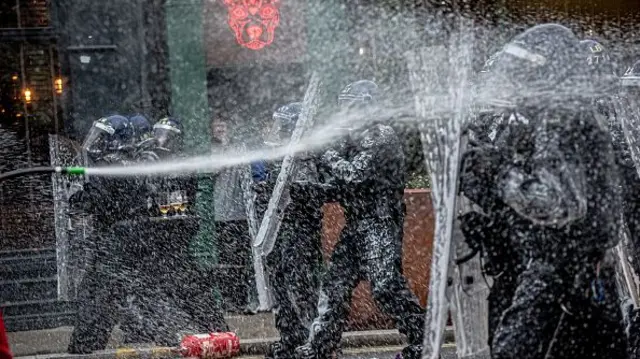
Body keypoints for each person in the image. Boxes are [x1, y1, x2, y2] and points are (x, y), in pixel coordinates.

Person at [464, 24, 626, 359]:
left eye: (522, 75)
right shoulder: (558, 117)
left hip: (562, 271)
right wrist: (497, 218)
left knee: (514, 350)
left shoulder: (562, 120)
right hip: (576, 272)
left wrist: (498, 174)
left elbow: (557, 203)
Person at [294, 80, 425, 359]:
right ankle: (322, 345)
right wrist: (316, 191)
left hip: (380, 222)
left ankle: (423, 338)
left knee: (386, 286)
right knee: (335, 284)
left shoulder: (380, 135)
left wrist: (326, 153)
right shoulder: (354, 137)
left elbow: (355, 174)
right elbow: (347, 187)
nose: (345, 111)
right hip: (356, 224)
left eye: (350, 106)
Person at [68, 115, 148, 353]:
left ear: (114, 141)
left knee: (96, 297)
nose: (96, 143)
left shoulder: (110, 168)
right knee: (112, 296)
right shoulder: (125, 164)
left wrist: (77, 196)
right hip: (123, 242)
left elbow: (98, 200)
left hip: (114, 243)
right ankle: (139, 335)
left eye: (102, 137)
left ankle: (84, 348)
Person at [255, 103, 325, 359]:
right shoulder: (281, 152)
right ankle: (289, 336)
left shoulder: (307, 151)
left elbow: (312, 190)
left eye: (283, 124)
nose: (278, 128)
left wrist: (294, 193)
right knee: (279, 281)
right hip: (280, 228)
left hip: (301, 228)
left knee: (300, 283)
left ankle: (312, 339)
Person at [210, 114, 254, 312]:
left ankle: (244, 301)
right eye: (217, 126)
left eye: (223, 125)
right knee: (226, 261)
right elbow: (215, 168)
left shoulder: (240, 147)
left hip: (242, 214)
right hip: (222, 214)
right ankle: (229, 302)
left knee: (242, 259)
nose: (220, 129)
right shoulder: (211, 150)